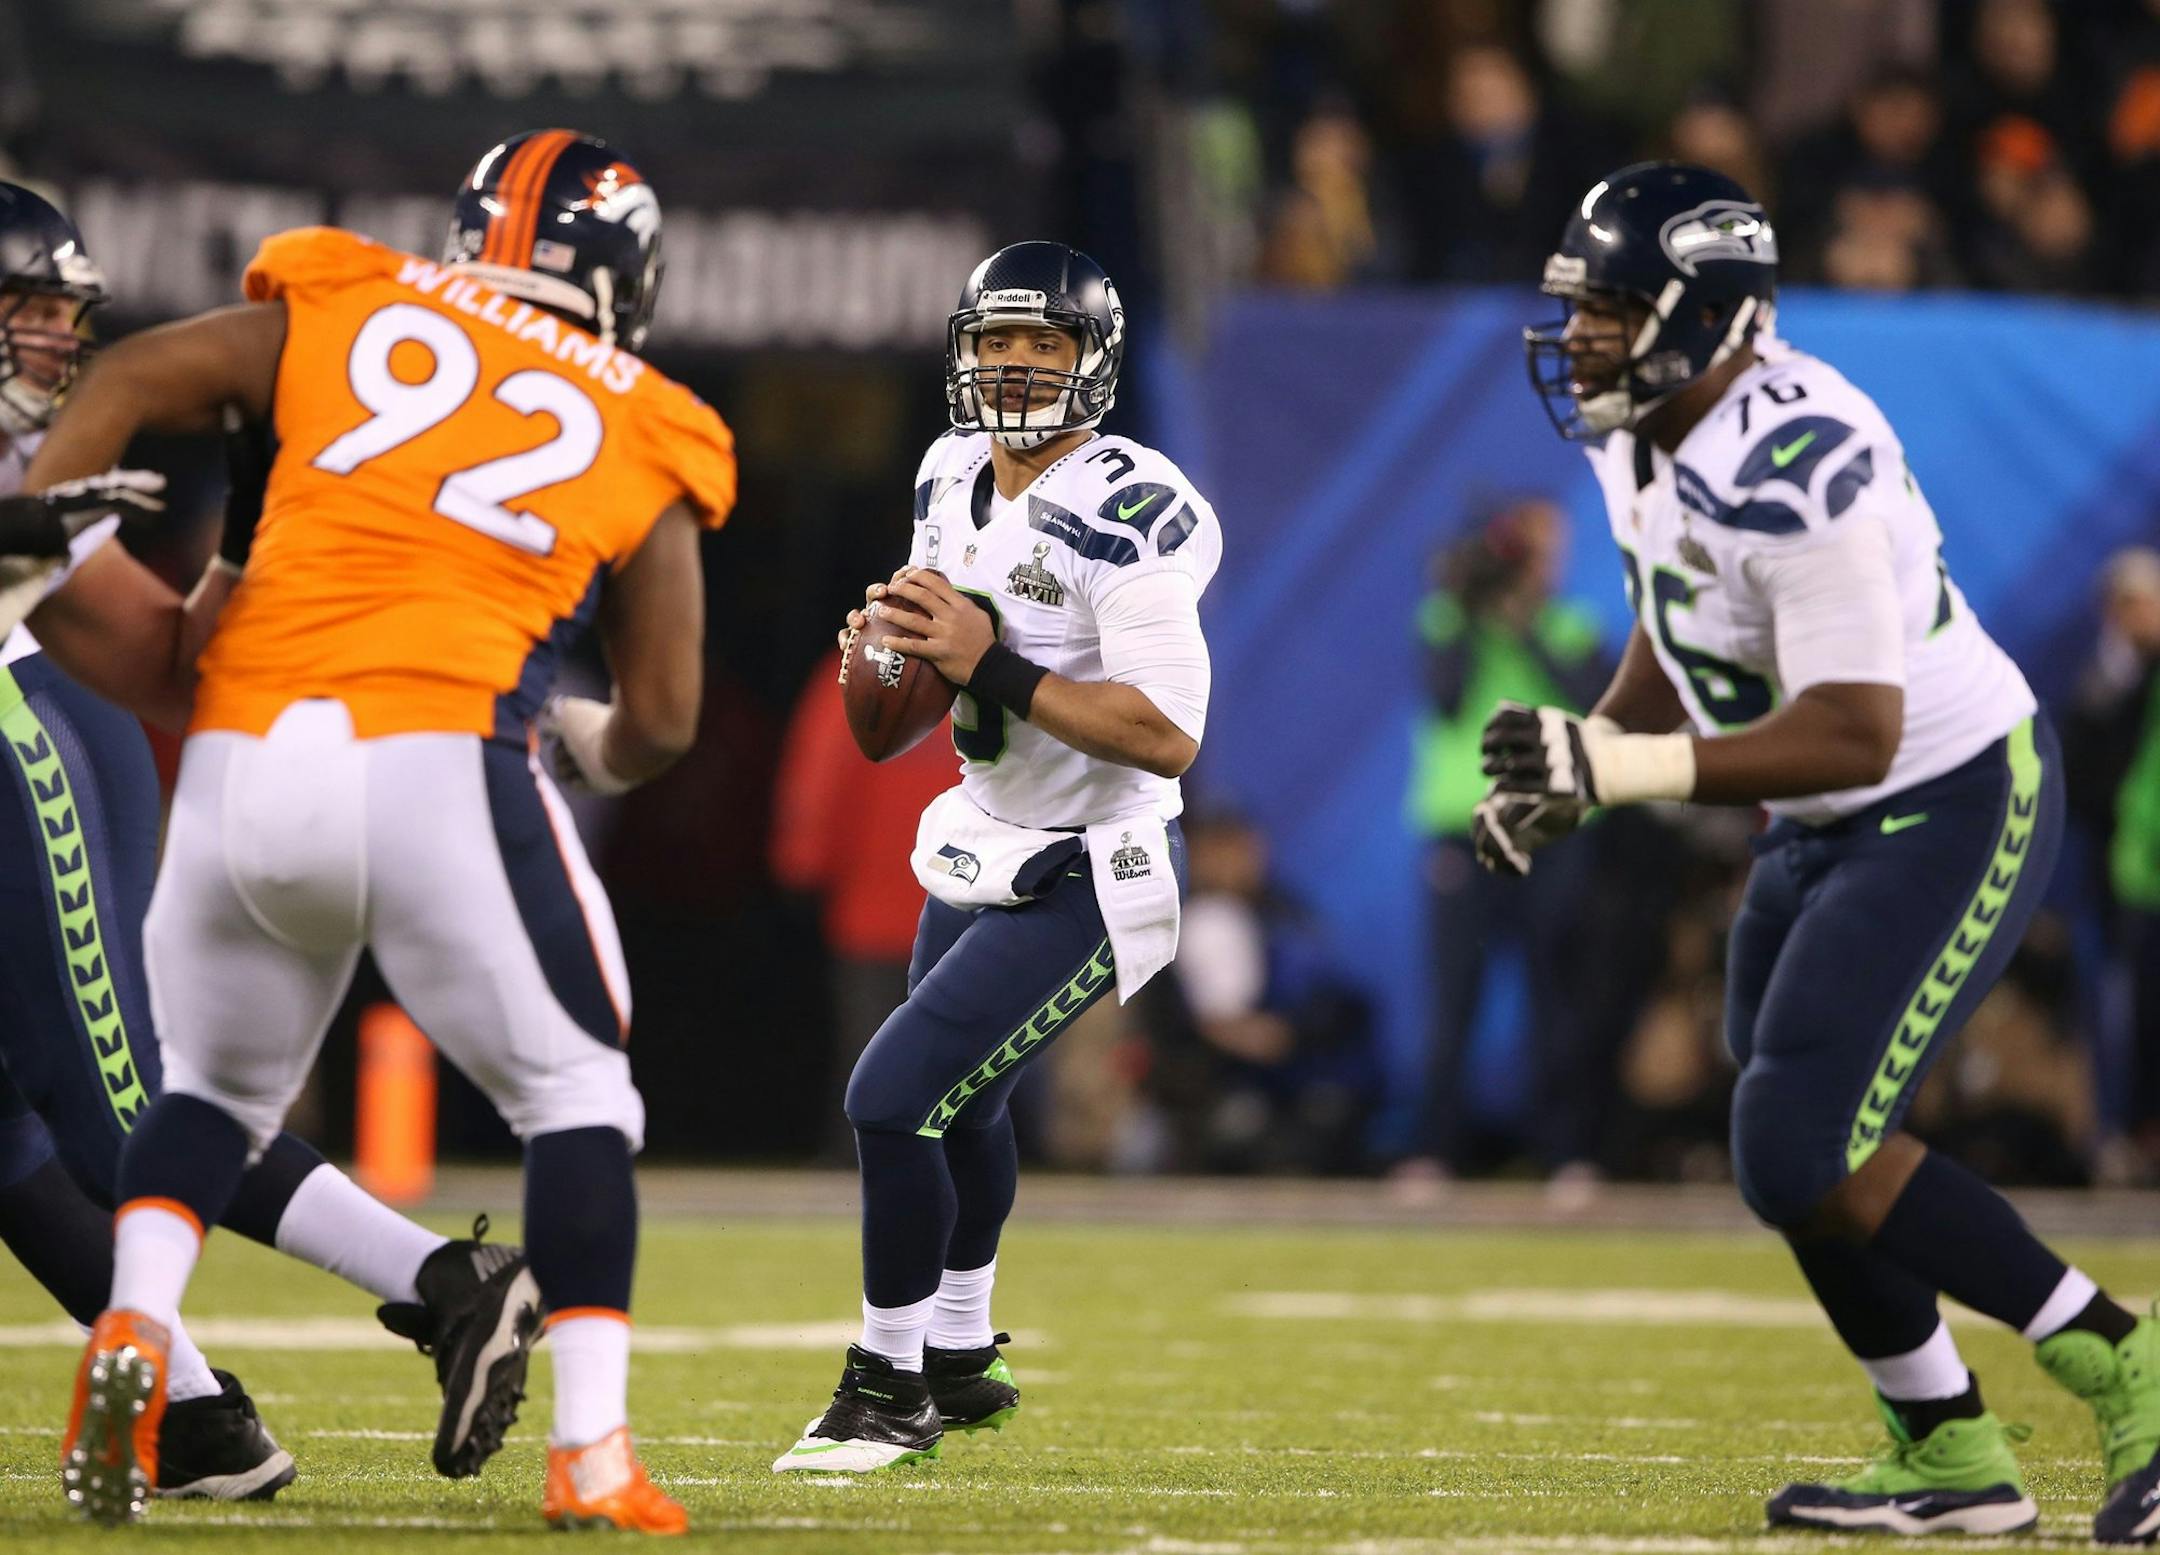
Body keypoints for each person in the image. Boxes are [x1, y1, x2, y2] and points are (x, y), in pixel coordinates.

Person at [31, 129, 735, 1533]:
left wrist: (25, 515)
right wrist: (581, 743)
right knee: (578, 1096)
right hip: (441, 748)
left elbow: (135, 373)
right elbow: (663, 715)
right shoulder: (648, 415)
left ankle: (136, 1329)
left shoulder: (346, 295)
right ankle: (592, 1450)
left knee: (209, 1095)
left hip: (245, 747)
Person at [1494, 161, 2160, 1542]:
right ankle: (1951, 1450)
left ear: (1708, 316)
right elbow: (1677, 621)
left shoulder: (1800, 465)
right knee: (1789, 1138)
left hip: (1950, 794)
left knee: (1800, 1138)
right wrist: (1591, 758)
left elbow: (1857, 729)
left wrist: (1624, 769)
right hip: (1823, 819)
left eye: (1612, 309)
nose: (1581, 337)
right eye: (1581, 306)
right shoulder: (1644, 430)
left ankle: (2127, 1363)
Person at [0, 181, 544, 1505]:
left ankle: (444, 1278)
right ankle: (192, 1417)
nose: (58, 340)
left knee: (108, 1108)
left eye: (64, 312)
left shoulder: (30, 458)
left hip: (26, 739)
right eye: (28, 308)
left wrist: (251, 528)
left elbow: (171, 662)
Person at [773, 242, 1220, 1473]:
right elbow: (923, 680)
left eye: (1046, 343)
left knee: (890, 1095)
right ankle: (961, 1355)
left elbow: (1168, 732)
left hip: (1099, 855)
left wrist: (992, 665)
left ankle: (888, 1387)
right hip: (986, 831)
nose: (1016, 365)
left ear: (1094, 362)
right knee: (964, 1105)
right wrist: (890, 653)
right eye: (996, 341)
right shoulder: (948, 468)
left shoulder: (1132, 505)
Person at [1398, 499, 1608, 1192]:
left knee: (1557, 995)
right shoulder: (1446, 619)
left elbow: (1591, 697)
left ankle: (1565, 1155)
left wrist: (1523, 623)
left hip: (1552, 827)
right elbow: (1446, 697)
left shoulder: (1570, 625)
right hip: (1463, 830)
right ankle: (1434, 1151)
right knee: (1453, 996)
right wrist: (1470, 604)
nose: (1541, 563)